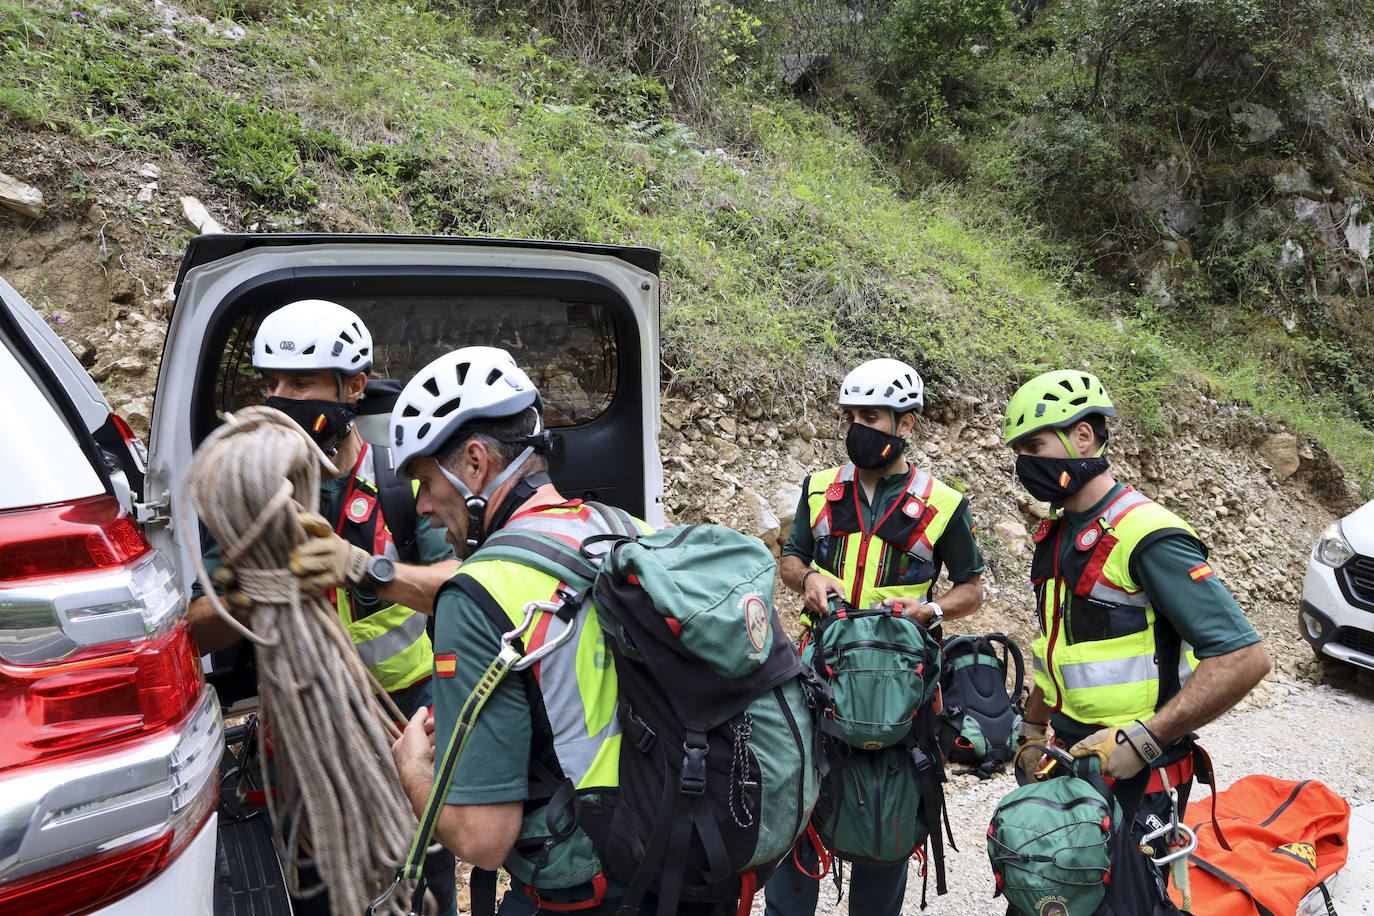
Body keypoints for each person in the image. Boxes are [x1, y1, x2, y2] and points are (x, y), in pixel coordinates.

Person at [390, 346, 741, 916]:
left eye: (426, 481)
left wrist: (410, 768)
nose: (424, 506)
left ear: (474, 463)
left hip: (591, 890)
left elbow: (483, 840)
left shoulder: (479, 592)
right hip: (689, 863)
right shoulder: (626, 529)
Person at [185, 299, 459, 914]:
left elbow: (465, 585)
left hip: (406, 723)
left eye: (301, 383)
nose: (280, 399)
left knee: (420, 879)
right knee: (318, 886)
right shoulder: (248, 499)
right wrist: (254, 587)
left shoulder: (403, 481)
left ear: (353, 387)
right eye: (270, 383)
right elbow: (198, 633)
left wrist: (367, 569)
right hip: (303, 734)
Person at [1003, 369, 1271, 845]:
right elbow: (1062, 644)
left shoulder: (1147, 535)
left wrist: (1147, 738)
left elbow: (1243, 658)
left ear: (1083, 436)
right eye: (1019, 453)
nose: (1024, 465)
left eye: (1034, 447)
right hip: (1069, 761)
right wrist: (1033, 723)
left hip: (1139, 779)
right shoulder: (1060, 530)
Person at [763, 357, 985, 916]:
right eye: (851, 415)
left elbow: (973, 589)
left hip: (901, 688)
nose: (857, 427)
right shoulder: (819, 491)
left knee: (888, 809)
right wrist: (808, 577)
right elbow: (790, 560)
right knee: (802, 801)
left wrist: (931, 608)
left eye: (872, 416)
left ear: (905, 424)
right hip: (822, 674)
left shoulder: (943, 503)